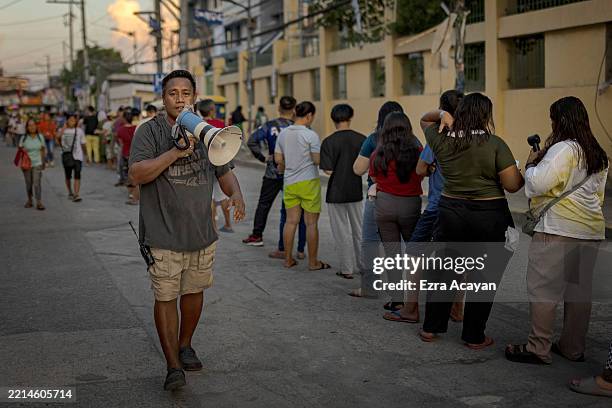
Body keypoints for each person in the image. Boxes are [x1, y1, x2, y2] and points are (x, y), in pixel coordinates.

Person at [128, 70, 245, 391]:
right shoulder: (149, 132)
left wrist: (235, 193)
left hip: (201, 232)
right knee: (166, 295)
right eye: (172, 93)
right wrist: (176, 152)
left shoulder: (208, 132)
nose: (179, 98)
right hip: (162, 232)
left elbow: (224, 170)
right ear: (163, 98)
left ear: (193, 96)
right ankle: (172, 365)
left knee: (194, 291)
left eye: (185, 93)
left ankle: (185, 344)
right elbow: (137, 174)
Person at [505, 96, 609, 364]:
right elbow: (597, 197)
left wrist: (530, 165)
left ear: (559, 120)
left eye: (552, 118)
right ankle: (573, 348)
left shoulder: (564, 149)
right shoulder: (597, 152)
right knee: (578, 293)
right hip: (590, 231)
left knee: (543, 290)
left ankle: (538, 348)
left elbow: (537, 184)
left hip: (558, 229)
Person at [419, 92, 524, 349]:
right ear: (486, 115)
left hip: (450, 212)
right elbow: (512, 186)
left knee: (444, 271)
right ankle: (473, 335)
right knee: (484, 276)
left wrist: (443, 114)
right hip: (488, 215)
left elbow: (424, 119)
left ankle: (431, 327)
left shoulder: (441, 139)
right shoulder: (495, 144)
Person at [384, 90, 464, 324]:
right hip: (464, 206)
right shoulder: (475, 137)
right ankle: (457, 309)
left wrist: (431, 169)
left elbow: (420, 169)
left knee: (414, 254)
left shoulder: (440, 135)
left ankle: (410, 309)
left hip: (438, 204)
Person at [349, 101, 404, 300]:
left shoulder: (374, 140)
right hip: (406, 199)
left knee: (370, 242)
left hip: (377, 197)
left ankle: (369, 287)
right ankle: (397, 289)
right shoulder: (413, 141)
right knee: (396, 245)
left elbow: (357, 169)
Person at [369, 112, 423, 308]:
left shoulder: (378, 153)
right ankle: (412, 298)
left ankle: (397, 299)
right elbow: (422, 174)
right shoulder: (418, 151)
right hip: (410, 205)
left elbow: (375, 179)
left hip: (384, 206)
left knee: (392, 255)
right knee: (414, 252)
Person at [243, 96, 304, 252]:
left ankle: (257, 235)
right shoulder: (298, 127)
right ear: (294, 109)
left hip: (272, 171)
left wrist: (263, 158)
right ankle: (286, 245)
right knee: (288, 209)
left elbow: (252, 141)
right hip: (292, 173)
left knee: (264, 204)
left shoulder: (269, 126)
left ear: (278, 108)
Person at [274, 101, 328, 270]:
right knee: (311, 224)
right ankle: (313, 262)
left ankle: (288, 259)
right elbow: (317, 160)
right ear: (309, 115)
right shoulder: (311, 135)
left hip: (289, 182)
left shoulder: (283, 134)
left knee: (290, 222)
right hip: (309, 182)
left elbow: (278, 159)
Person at [320, 104, 365, 279]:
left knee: (341, 232)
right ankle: (363, 266)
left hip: (335, 192)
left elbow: (328, 171)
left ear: (333, 119)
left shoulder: (328, 142)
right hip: (355, 190)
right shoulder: (361, 139)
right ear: (350, 117)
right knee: (358, 230)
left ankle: (346, 268)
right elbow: (365, 166)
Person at [19, 118, 46, 210]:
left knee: (37, 183)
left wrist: (43, 162)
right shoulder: (23, 138)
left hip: (37, 163)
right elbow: (20, 151)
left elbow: (42, 150)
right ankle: (30, 200)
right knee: (28, 183)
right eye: (29, 125)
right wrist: (22, 152)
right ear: (27, 127)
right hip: (26, 164)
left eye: (33, 125)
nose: (32, 127)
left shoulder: (40, 137)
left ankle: (39, 202)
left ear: (36, 126)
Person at [59, 112, 86, 202]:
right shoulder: (63, 130)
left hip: (78, 156)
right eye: (70, 120)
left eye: (74, 120)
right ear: (67, 121)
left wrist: (86, 155)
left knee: (77, 175)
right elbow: (57, 139)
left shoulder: (79, 131)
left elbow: (83, 143)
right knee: (68, 176)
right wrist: (63, 129)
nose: (72, 122)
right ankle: (70, 191)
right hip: (67, 156)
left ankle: (76, 194)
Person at [117, 108, 139, 205]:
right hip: (136, 154)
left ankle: (132, 195)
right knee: (136, 176)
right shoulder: (137, 128)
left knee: (127, 175)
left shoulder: (120, 130)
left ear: (124, 119)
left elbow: (120, 143)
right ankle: (134, 195)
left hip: (125, 154)